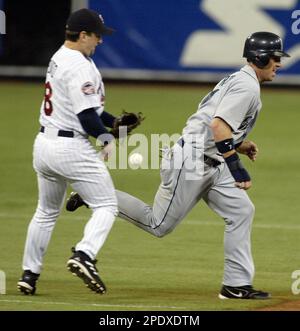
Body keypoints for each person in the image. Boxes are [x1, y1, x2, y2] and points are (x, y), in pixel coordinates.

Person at [66, 32, 290, 299]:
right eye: (275, 57)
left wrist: (239, 144)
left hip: (211, 160)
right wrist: (237, 167)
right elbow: (217, 126)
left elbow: (212, 122)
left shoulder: (243, 80)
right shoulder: (246, 86)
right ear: (260, 58)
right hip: (192, 162)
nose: (279, 63)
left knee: (242, 211)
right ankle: (96, 196)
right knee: (158, 224)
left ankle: (236, 285)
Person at [17, 8, 119, 295]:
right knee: (107, 206)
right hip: (69, 148)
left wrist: (114, 123)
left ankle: (29, 274)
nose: (100, 41)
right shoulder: (80, 65)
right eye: (96, 36)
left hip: (44, 146)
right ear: (83, 34)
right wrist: (105, 137)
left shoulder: (59, 57)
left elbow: (84, 107)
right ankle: (84, 254)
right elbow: (87, 117)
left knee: (46, 212)